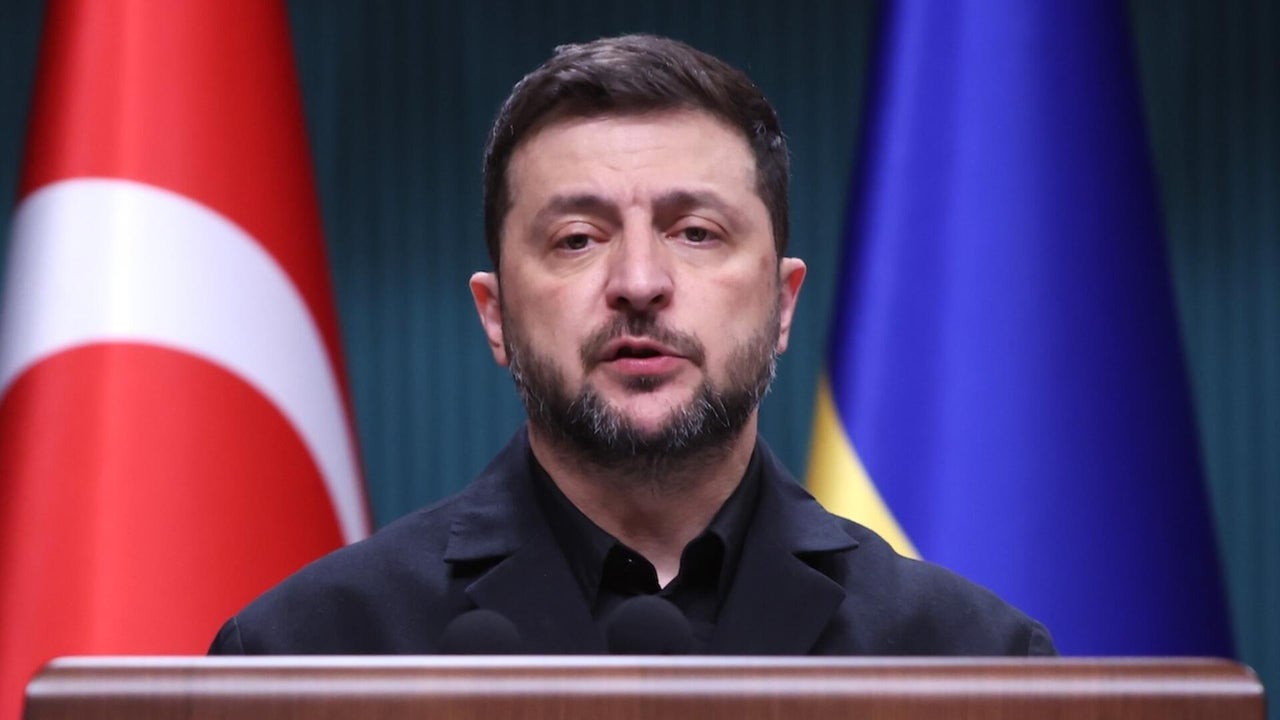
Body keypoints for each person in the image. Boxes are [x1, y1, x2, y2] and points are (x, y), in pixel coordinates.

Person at [210, 34, 1055, 656]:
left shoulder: (968, 661)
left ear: (782, 303)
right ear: (495, 315)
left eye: (696, 232)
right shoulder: (309, 653)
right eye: (578, 239)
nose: (640, 281)